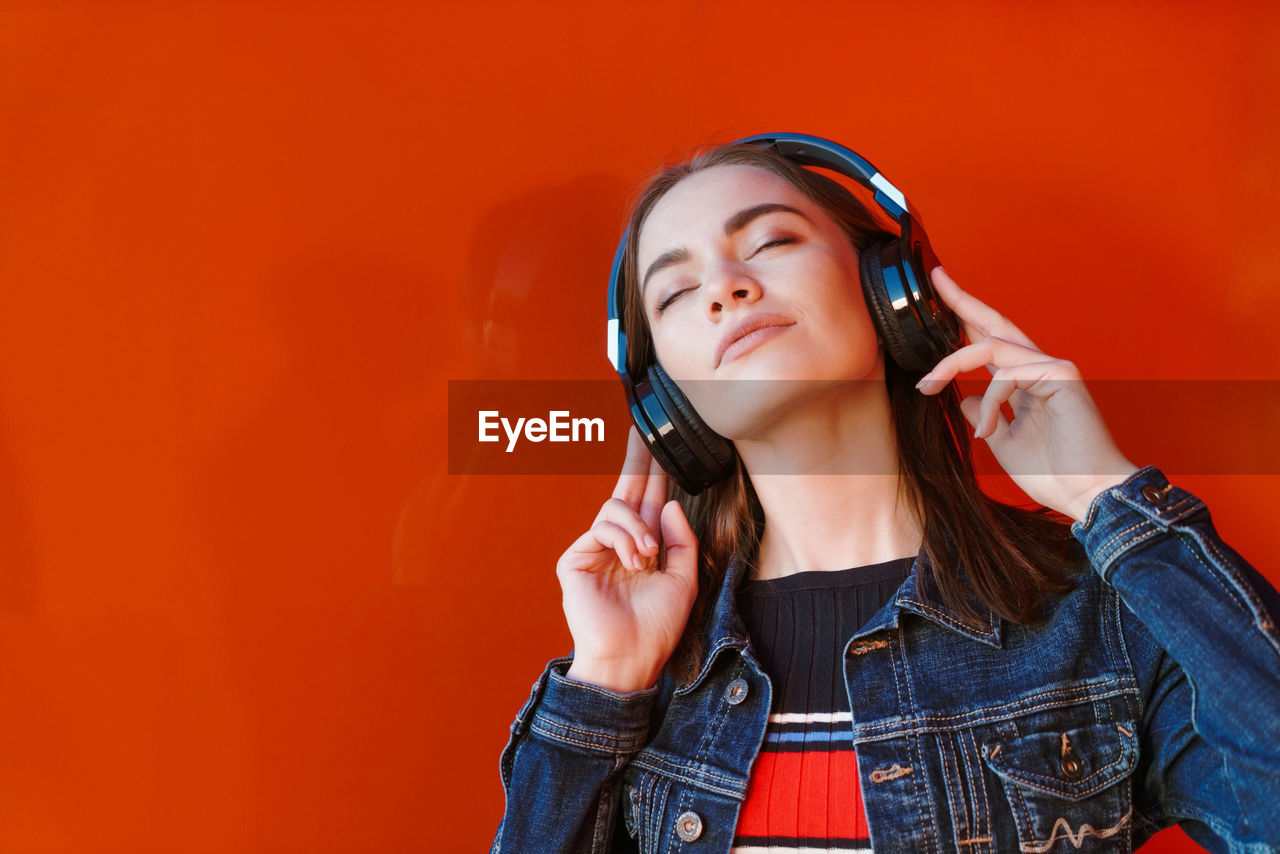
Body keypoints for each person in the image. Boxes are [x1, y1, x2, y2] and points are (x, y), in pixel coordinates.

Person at [489, 135, 1280, 854]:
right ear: (668, 403)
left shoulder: (1094, 613)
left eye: (770, 242)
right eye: (675, 294)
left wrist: (1107, 498)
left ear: (889, 293)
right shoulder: (643, 675)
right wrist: (603, 686)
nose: (725, 289)